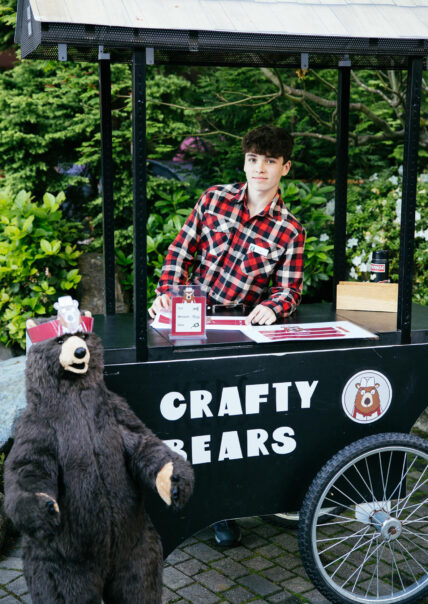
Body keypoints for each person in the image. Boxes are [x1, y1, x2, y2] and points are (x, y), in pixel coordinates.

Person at [149, 125, 306, 545]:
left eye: (271, 161)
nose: (260, 169)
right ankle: (176, 496)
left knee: (229, 426)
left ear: (285, 168)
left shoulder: (290, 229)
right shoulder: (213, 200)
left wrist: (273, 307)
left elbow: (289, 289)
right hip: (191, 321)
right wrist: (166, 293)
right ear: (244, 161)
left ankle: (221, 510)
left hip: (239, 335)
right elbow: (179, 253)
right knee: (187, 416)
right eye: (254, 159)